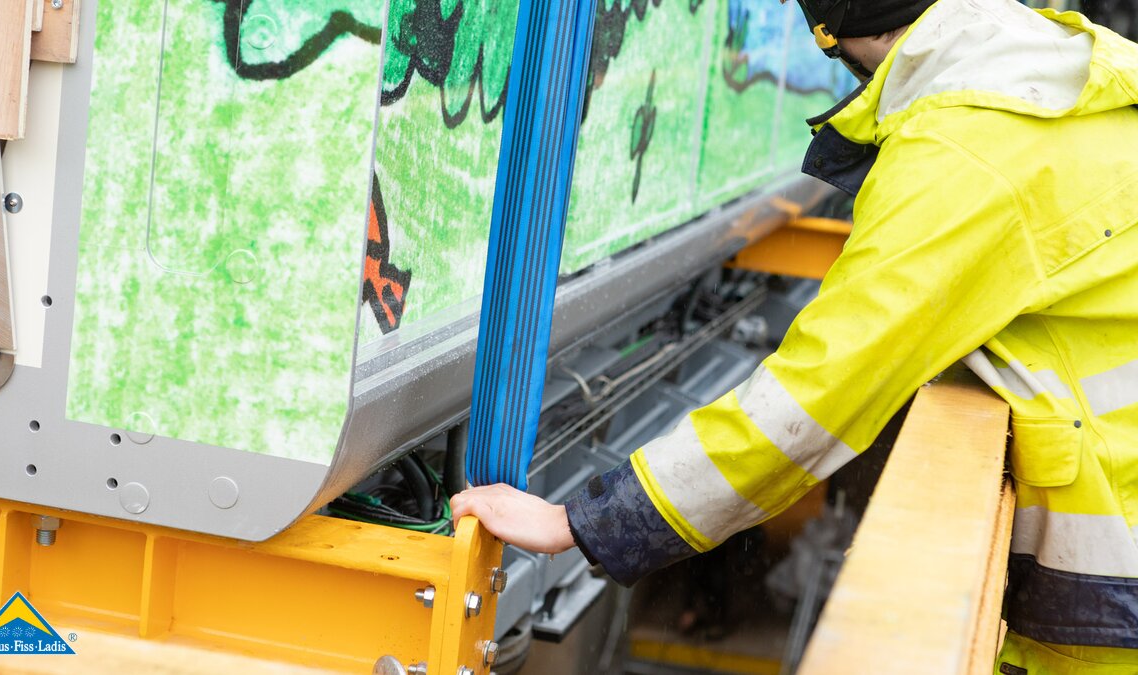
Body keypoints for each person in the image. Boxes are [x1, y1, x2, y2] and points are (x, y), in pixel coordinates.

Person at [452, 0, 1138, 671]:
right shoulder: (1053, 62)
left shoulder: (961, 149)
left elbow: (815, 397)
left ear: (838, 35)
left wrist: (581, 522)